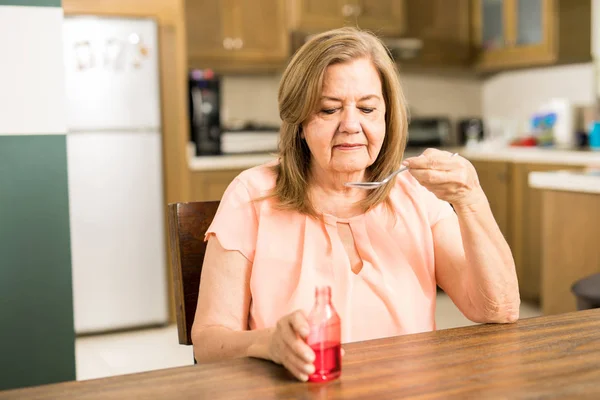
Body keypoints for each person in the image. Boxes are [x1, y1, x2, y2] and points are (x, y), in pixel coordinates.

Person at [190, 27, 520, 381]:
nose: (351, 125)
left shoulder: (415, 196)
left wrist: (470, 200)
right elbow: (208, 343)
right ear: (299, 122)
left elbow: (497, 309)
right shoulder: (251, 195)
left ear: (386, 117)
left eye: (367, 108)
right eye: (329, 109)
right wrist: (267, 343)